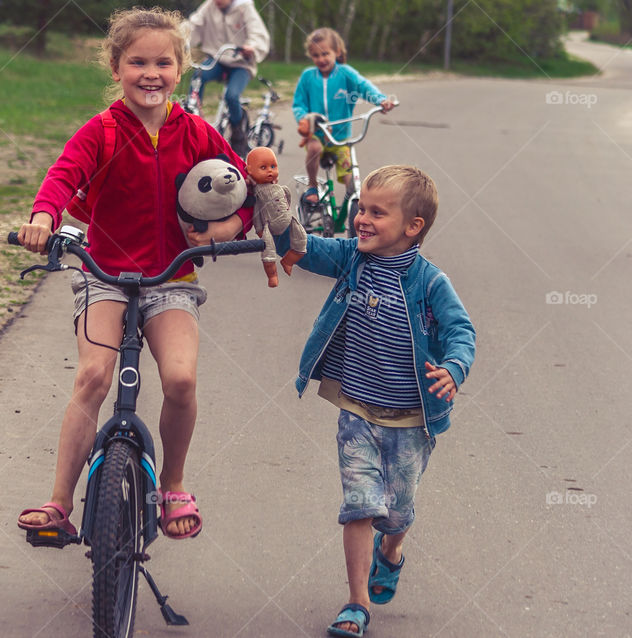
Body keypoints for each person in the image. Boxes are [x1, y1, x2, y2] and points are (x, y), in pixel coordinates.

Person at [16, 7, 253, 541]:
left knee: (182, 378)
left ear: (181, 68)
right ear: (117, 67)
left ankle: (172, 485)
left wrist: (223, 232)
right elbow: (62, 176)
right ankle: (59, 502)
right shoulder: (100, 131)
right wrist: (42, 217)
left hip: (171, 278)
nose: (152, 73)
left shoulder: (196, 132)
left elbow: (246, 192)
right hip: (105, 274)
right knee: (93, 376)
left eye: (163, 63)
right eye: (138, 62)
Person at [273, 166, 475, 637]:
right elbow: (301, 250)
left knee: (397, 511)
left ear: (412, 227)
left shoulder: (429, 282)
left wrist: (454, 368)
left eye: (376, 212)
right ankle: (356, 603)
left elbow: (461, 331)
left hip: (411, 418)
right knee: (361, 504)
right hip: (358, 410)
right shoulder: (351, 259)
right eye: (361, 208)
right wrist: (278, 212)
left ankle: (391, 553)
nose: (361, 218)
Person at [293, 27, 396, 207]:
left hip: (341, 138)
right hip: (317, 133)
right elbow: (298, 104)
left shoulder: (345, 73)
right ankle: (312, 185)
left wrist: (381, 100)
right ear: (311, 56)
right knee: (314, 148)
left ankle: (354, 205)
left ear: (337, 52)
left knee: (351, 178)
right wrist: (305, 117)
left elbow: (364, 86)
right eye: (316, 55)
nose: (321, 59)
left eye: (325, 53)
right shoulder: (308, 76)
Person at [187, 0, 270, 157]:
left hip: (241, 63)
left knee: (231, 96)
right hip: (217, 60)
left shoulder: (244, 8)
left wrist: (251, 47)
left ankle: (238, 135)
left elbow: (258, 33)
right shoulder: (209, 6)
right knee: (198, 76)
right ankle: (192, 121)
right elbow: (193, 25)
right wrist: (177, 39)